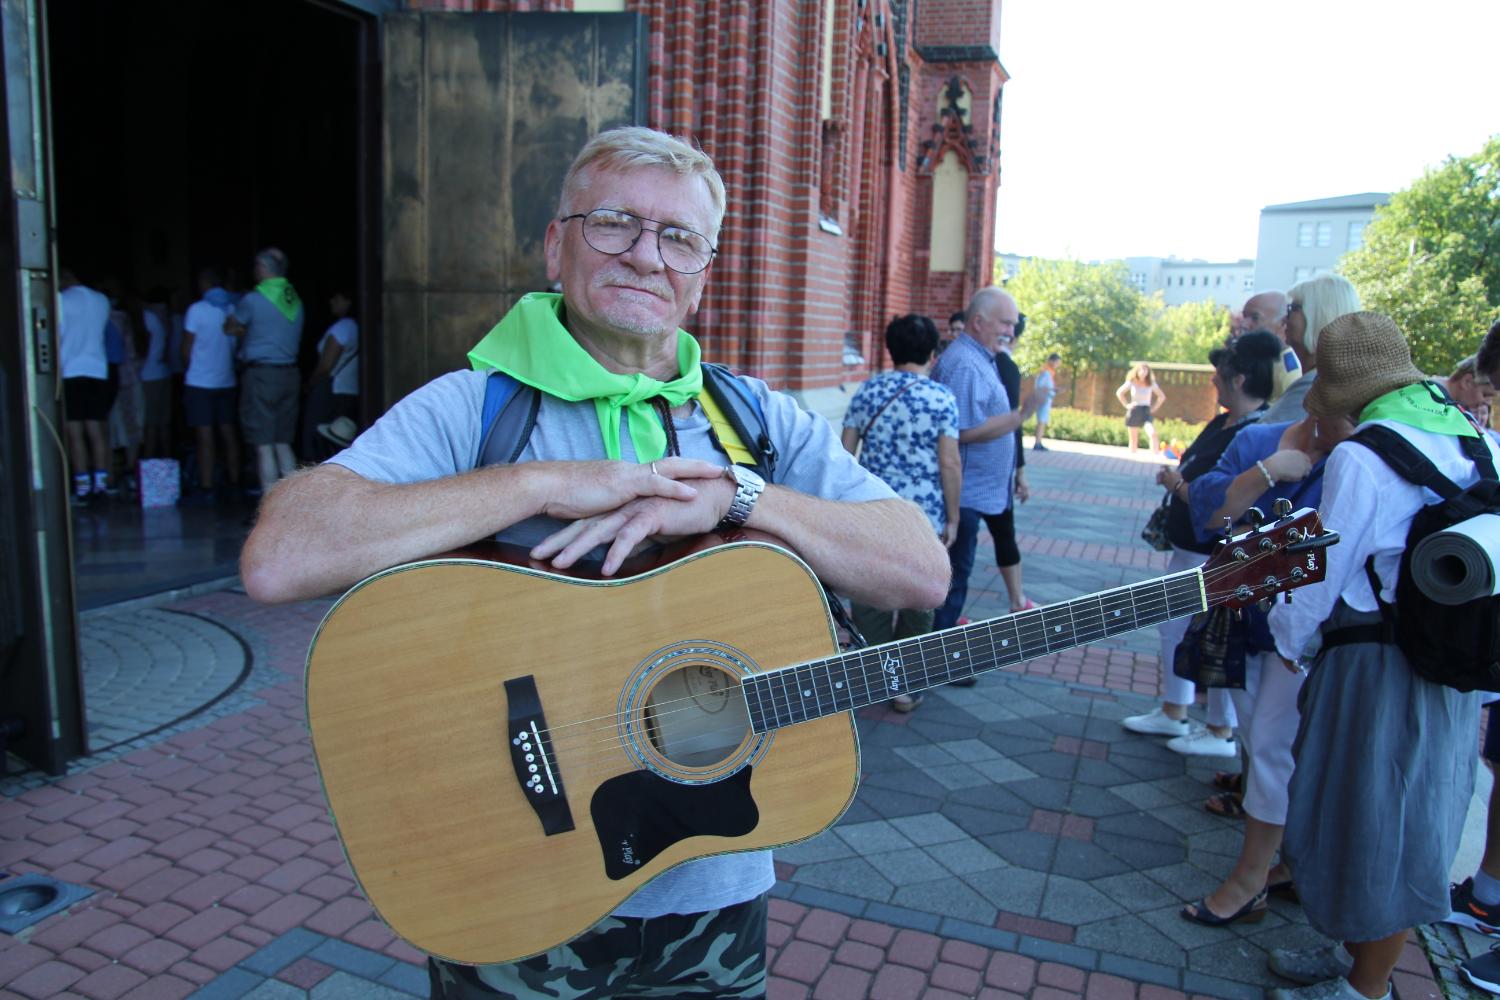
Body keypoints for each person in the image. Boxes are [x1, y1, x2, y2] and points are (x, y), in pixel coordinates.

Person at [240, 126, 948, 999]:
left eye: (678, 237)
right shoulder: (478, 405)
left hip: (712, 901)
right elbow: (279, 557)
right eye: (613, 222)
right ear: (555, 246)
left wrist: (742, 496)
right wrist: (541, 481)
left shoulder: (753, 419)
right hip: (512, 882)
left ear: (703, 273)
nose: (646, 255)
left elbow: (923, 572)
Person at [1261, 312, 1499, 1000]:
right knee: (1400, 815)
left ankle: (1367, 987)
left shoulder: (1363, 458)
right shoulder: (1478, 442)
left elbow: (1318, 577)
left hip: (1372, 666)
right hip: (1449, 674)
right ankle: (1351, 955)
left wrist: (1284, 642)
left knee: (1367, 821)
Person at [1120, 333, 1280, 757]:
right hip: (1194, 546)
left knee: (1220, 635)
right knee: (1177, 628)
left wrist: (1180, 485)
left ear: (1240, 379)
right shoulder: (1228, 423)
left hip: (1217, 551)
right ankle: (1178, 710)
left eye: (1220, 377)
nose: (1214, 384)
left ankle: (1219, 729)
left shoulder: (1256, 432)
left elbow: (1225, 497)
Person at [840, 313, 961, 713]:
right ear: (931, 352)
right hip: (921, 514)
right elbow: (950, 464)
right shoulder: (941, 398)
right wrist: (954, 517)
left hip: (870, 508)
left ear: (890, 350)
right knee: (920, 594)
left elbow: (844, 455)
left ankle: (874, 674)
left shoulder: (867, 392)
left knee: (869, 590)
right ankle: (905, 685)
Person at [929, 287, 1040, 655]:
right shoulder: (964, 363)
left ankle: (935, 649)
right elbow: (958, 433)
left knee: (956, 577)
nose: (1012, 330)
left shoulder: (980, 356)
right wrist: (1020, 417)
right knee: (954, 578)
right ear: (979, 322)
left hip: (978, 491)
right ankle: (935, 659)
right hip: (968, 493)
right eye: (1006, 322)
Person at [226, 247, 304, 493]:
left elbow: (230, 327)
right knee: (283, 442)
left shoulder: (253, 300)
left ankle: (267, 508)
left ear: (262, 269)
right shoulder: (294, 300)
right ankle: (294, 505)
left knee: (264, 444)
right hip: (290, 374)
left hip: (261, 375)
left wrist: (245, 333)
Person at [1263, 275, 1362, 423]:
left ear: (1318, 315)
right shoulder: (1338, 380)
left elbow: (1255, 441)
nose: (1284, 319)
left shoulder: (1317, 387)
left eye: (1292, 309)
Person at [181, 268, 242, 504]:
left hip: (200, 381)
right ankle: (235, 482)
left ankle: (207, 487)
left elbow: (186, 347)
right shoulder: (232, 309)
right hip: (226, 379)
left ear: (204, 282)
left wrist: (188, 370)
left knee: (204, 435)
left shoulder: (196, 310)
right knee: (228, 433)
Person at [58, 269, 115, 503]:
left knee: (75, 433)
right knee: (96, 431)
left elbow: (57, 334)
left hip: (71, 369)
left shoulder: (61, 300)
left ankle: (82, 487)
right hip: (98, 369)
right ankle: (101, 484)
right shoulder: (101, 300)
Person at [991, 313, 1035, 613]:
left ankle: (1017, 599)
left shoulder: (981, 362)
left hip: (978, 466)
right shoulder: (1005, 365)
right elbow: (1013, 422)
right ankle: (1017, 600)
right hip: (994, 467)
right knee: (1003, 531)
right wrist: (1020, 470)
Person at [301, 289, 359, 459]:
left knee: (320, 437)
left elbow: (326, 365)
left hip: (332, 389)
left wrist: (310, 383)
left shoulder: (342, 327)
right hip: (348, 390)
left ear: (348, 302)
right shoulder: (356, 327)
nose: (332, 301)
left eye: (337, 297)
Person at [138, 289, 173, 459]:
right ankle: (167, 463)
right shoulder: (160, 317)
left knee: (150, 423)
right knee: (163, 423)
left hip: (148, 375)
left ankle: (148, 463)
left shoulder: (145, 317)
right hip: (162, 372)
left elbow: (144, 345)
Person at [1116, 363, 1165, 455]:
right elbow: (1119, 393)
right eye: (1141, 370)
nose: (1143, 372)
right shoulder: (1132, 382)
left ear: (1148, 372)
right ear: (1137, 371)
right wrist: (1126, 405)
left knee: (1153, 433)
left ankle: (1155, 457)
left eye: (1145, 370)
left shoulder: (1151, 384)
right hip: (1134, 410)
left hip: (1145, 410)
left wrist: (1154, 408)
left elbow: (1161, 396)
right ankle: (1132, 460)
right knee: (1133, 439)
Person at [1033, 352, 1059, 450]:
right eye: (1056, 362)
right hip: (1043, 400)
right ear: (1051, 361)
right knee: (1041, 421)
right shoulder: (1046, 372)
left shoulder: (1049, 372)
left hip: (1045, 399)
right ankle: (1037, 443)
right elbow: (1040, 387)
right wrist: (1052, 390)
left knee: (1042, 422)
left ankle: (1039, 441)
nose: (1057, 365)